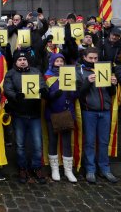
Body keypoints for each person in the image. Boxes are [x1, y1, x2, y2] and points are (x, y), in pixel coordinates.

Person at [3, 51, 47, 184]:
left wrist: (44, 90)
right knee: (20, 144)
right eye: (20, 59)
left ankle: (36, 167)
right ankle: (22, 168)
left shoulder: (36, 71)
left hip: (34, 114)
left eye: (24, 59)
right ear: (15, 62)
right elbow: (7, 89)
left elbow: (43, 85)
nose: (22, 61)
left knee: (37, 144)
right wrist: (16, 96)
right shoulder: (11, 73)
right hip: (19, 114)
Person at [78, 47, 119, 184]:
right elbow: (78, 93)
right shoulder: (81, 71)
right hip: (89, 111)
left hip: (105, 110)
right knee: (89, 142)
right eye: (91, 58)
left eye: (95, 58)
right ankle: (90, 169)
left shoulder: (104, 69)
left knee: (103, 141)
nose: (94, 61)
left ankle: (105, 169)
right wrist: (87, 82)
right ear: (84, 58)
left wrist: (113, 84)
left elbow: (111, 92)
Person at [43, 53, 78, 183]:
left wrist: (73, 90)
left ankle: (68, 170)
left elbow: (75, 95)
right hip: (52, 113)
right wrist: (54, 94)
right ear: (52, 62)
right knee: (53, 141)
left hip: (67, 112)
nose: (59, 63)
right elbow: (46, 96)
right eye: (57, 61)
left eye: (61, 61)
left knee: (67, 143)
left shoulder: (69, 75)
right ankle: (54, 169)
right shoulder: (47, 76)